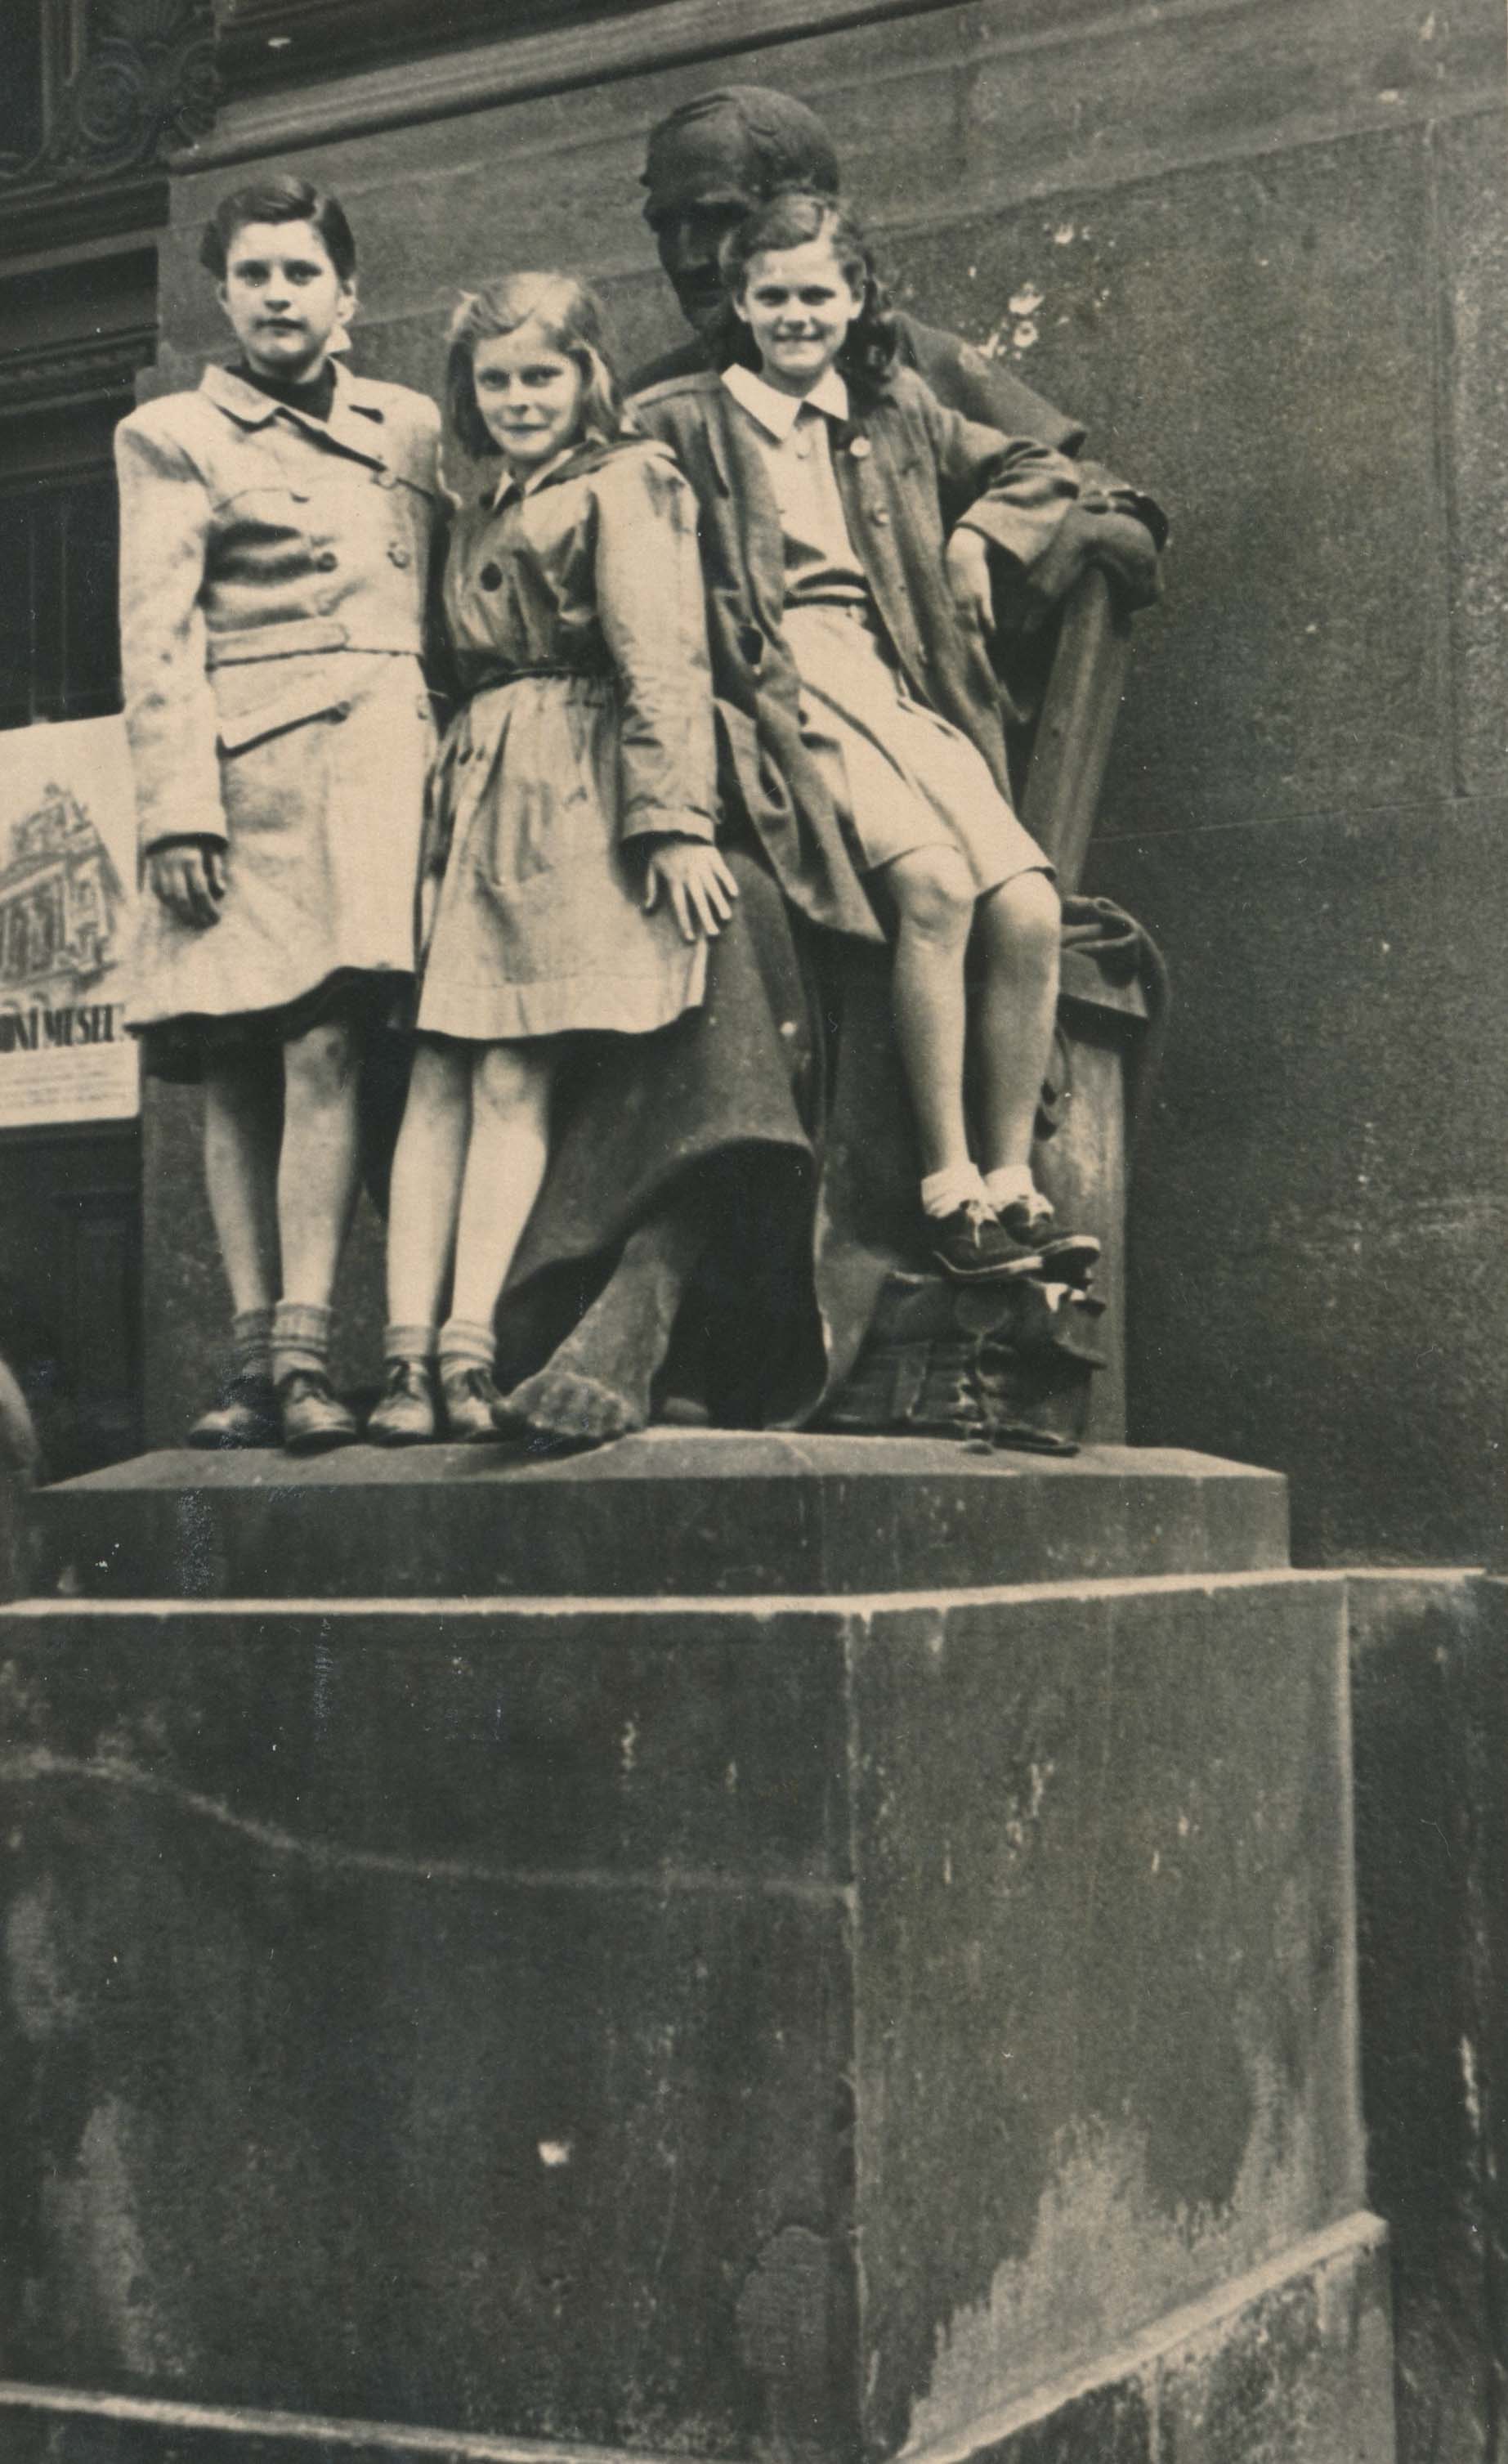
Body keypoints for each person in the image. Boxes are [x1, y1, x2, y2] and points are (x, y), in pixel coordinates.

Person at [633, 190, 1100, 1284]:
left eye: (817, 295)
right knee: (932, 887)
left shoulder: (893, 411)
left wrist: (979, 536)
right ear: (741, 304)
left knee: (1028, 905)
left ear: (854, 300)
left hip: (896, 682)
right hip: (785, 688)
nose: (795, 317)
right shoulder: (679, 421)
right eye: (772, 297)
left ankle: (1012, 1180)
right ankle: (949, 1188)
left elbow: (1040, 466)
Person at [365, 276, 732, 1443]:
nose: (519, 399)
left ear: (587, 377)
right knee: (435, 1071)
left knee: (510, 1071)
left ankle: (470, 1349)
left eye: (542, 375)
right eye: (496, 380)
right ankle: (404, 1358)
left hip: (570, 787)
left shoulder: (629, 481)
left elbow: (663, 660)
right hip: (474, 791)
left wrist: (673, 821)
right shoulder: (478, 503)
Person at [115, 174, 444, 1454]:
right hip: (243, 784)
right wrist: (176, 810)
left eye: (300, 271)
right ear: (222, 293)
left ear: (346, 292)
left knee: (329, 1045)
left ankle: (308, 1347)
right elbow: (157, 637)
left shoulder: (409, 424)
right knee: (235, 1061)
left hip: (381, 774)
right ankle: (260, 1359)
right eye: (251, 274)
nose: (276, 295)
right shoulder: (173, 434)